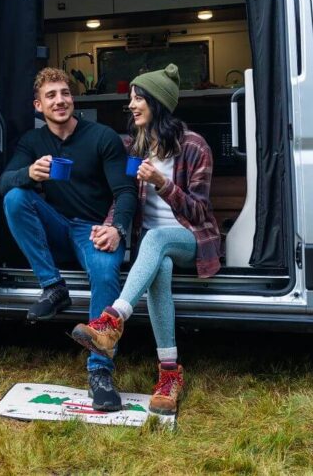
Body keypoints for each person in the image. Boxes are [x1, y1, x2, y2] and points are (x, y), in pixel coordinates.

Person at [70, 64, 221, 415]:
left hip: (192, 238)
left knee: (157, 241)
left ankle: (112, 321)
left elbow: (200, 212)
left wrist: (162, 183)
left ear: (158, 103)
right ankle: (169, 375)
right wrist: (111, 225)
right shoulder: (133, 148)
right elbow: (123, 194)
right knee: (160, 269)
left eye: (138, 98)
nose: (132, 105)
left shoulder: (195, 146)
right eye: (131, 98)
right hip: (153, 247)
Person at [0, 67, 137, 412]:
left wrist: (116, 229)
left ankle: (100, 372)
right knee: (15, 197)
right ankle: (54, 287)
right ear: (38, 105)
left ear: (73, 99)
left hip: (93, 229)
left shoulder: (102, 137)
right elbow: (3, 182)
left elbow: (126, 190)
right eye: (51, 95)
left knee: (106, 272)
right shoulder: (33, 142)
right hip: (58, 226)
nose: (60, 100)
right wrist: (28, 174)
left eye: (65, 93)